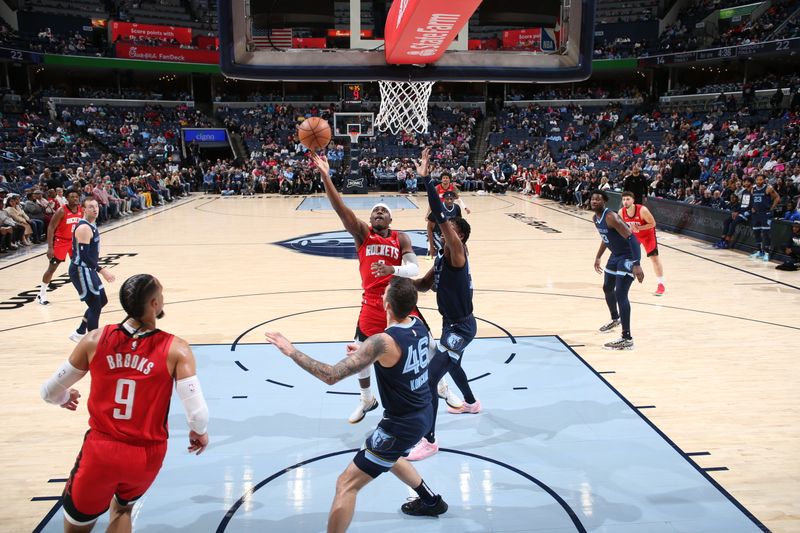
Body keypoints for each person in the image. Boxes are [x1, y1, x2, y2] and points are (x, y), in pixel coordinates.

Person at [265, 278, 448, 532]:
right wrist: (366, 352)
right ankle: (430, 501)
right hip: (425, 412)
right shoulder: (418, 326)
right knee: (389, 457)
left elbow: (330, 375)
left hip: (400, 425)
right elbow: (404, 359)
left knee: (346, 484)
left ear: (386, 304)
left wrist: (291, 351)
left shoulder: (382, 342)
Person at [40, 274, 209, 532]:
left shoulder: (95, 339)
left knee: (78, 526)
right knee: (122, 509)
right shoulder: (177, 349)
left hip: (102, 451)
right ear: (154, 303)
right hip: (146, 455)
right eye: (161, 295)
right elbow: (197, 414)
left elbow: (48, 392)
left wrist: (65, 397)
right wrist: (199, 433)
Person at [309, 152, 420, 424]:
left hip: (400, 300)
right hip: (372, 302)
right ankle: (366, 399)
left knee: (425, 346)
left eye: (384, 211)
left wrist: (392, 270)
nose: (379, 212)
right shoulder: (363, 234)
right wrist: (326, 175)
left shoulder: (401, 238)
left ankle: (441, 387)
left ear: (391, 220)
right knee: (359, 352)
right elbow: (341, 210)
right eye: (375, 211)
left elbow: (415, 269)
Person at [407, 148, 480, 462]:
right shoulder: (441, 258)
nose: (442, 225)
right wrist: (394, 278)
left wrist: (426, 181)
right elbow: (423, 286)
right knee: (454, 365)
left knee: (430, 378)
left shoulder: (457, 251)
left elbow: (439, 215)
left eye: (449, 224)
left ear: (459, 233)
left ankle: (429, 440)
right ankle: (472, 403)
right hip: (450, 323)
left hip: (462, 326)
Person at [591, 190, 644, 350]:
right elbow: (605, 237)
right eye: (592, 199)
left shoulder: (610, 217)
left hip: (628, 256)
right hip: (615, 255)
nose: (594, 201)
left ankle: (627, 338)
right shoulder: (596, 218)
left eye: (598, 199)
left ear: (604, 202)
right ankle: (615, 319)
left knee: (621, 293)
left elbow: (632, 238)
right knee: (607, 287)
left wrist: (637, 263)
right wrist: (598, 256)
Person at [68, 197, 115, 343]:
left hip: (88, 269)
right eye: (90, 207)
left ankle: (80, 332)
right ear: (83, 209)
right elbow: (84, 256)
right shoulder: (84, 228)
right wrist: (102, 270)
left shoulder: (91, 224)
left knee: (102, 300)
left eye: (96, 206)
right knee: (95, 304)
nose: (95, 209)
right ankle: (93, 343)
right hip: (81, 270)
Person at [38, 188, 83, 305]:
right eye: (72, 197)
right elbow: (51, 228)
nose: (75, 199)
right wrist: (50, 247)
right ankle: (42, 293)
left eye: (76, 196)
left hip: (74, 242)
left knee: (79, 267)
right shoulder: (61, 211)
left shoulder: (81, 210)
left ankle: (83, 291)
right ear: (67, 198)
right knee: (52, 268)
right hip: (61, 242)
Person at [619, 191, 666, 296]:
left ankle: (661, 284)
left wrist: (639, 228)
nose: (625, 202)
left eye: (628, 199)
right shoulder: (621, 212)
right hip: (634, 236)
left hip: (647, 235)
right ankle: (622, 280)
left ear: (633, 200)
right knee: (626, 257)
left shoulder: (642, 210)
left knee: (654, 258)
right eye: (623, 199)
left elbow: (653, 223)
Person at [748, 173, 780, 262]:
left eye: (761, 179)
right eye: (757, 179)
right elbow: (752, 200)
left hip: (765, 213)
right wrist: (752, 207)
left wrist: (772, 208)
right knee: (756, 232)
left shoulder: (768, 188)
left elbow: (777, 198)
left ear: (764, 180)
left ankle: (766, 253)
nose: (759, 181)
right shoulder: (753, 189)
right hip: (756, 214)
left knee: (766, 233)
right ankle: (759, 251)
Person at [716, 176, 754, 249]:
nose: (745, 183)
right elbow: (742, 204)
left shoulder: (753, 192)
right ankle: (722, 240)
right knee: (726, 221)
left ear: (750, 183)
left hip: (748, 212)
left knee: (733, 223)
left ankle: (727, 243)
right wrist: (736, 211)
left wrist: (740, 213)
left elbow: (751, 206)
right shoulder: (744, 192)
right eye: (744, 181)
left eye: (746, 181)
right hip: (742, 211)